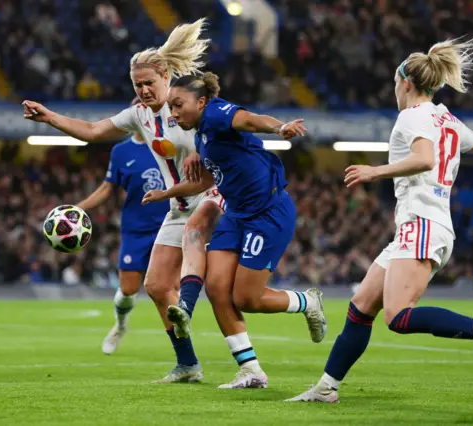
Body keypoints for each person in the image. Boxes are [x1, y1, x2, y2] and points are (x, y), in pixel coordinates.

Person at [287, 37, 473, 403]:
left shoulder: (412, 116)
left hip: (424, 224)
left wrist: (374, 172)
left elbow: (425, 158)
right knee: (361, 307)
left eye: (395, 84)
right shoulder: (447, 118)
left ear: (406, 83)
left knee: (398, 317)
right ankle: (326, 388)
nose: (394, 90)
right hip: (423, 226)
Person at [23, 19, 224, 383]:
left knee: (233, 292)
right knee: (157, 287)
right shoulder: (139, 115)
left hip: (211, 200)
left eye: (149, 82)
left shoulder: (191, 106)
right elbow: (93, 131)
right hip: (177, 207)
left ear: (166, 75)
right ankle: (188, 364)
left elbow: (222, 134)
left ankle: (256, 357)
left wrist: (202, 151)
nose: (144, 90)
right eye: (138, 85)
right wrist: (49, 117)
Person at [143, 72, 328, 389]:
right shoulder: (202, 134)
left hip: (268, 213)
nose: (172, 114)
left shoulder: (216, 114)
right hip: (236, 213)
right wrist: (166, 193)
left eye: (178, 105)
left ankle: (307, 302)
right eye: (171, 107)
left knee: (246, 298)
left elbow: (252, 120)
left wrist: (278, 127)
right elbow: (206, 181)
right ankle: (251, 371)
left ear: (201, 102)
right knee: (216, 289)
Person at [76, 98, 170, 355]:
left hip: (170, 226)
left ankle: (183, 353)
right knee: (128, 290)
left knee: (168, 289)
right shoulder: (121, 152)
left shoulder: (169, 145)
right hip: (135, 228)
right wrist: (80, 207)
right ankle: (120, 325)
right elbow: (108, 188)